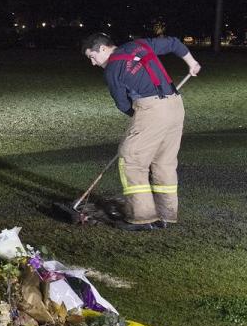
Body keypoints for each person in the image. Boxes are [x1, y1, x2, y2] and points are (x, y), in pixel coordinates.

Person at [81, 33, 201, 230]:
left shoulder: (112, 69)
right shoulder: (140, 45)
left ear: (103, 49)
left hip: (151, 110)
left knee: (131, 159)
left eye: (92, 57)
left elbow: (122, 104)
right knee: (164, 162)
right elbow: (173, 43)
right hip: (175, 105)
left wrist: (140, 117)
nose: (93, 63)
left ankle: (142, 218)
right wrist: (192, 62)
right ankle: (166, 214)